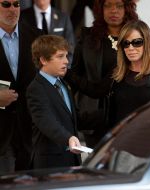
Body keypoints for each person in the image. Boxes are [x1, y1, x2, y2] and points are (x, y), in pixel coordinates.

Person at [66, 0, 139, 148]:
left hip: (128, 113)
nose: (114, 11)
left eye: (119, 6)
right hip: (94, 116)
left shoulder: (136, 38)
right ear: (100, 9)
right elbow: (74, 77)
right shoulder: (88, 37)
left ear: (127, 9)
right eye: (108, 5)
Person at [26, 35, 82, 169]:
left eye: (66, 56)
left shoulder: (63, 84)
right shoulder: (36, 88)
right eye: (60, 56)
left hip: (72, 160)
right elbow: (45, 121)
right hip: (50, 164)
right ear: (44, 60)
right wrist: (68, 138)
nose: (66, 61)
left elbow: (72, 118)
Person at [0, 0, 42, 172]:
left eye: (16, 4)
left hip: (31, 129)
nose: (12, 9)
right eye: (6, 4)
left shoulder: (37, 36)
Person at [108, 20, 150, 125]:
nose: (130, 48)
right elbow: (112, 115)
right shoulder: (118, 74)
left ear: (147, 43)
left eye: (137, 42)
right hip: (123, 137)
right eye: (126, 43)